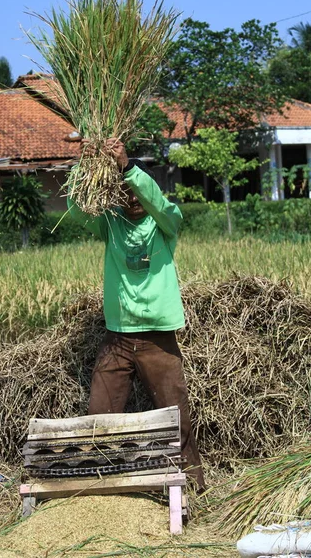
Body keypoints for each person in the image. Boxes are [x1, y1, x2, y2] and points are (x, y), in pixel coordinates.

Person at [67, 138, 205, 492]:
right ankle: (99, 487)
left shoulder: (165, 223)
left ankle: (192, 485)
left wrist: (127, 168)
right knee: (100, 414)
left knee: (176, 417)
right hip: (118, 337)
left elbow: (159, 203)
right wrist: (87, 165)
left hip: (158, 338)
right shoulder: (111, 225)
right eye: (124, 193)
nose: (132, 200)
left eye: (137, 193)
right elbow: (78, 210)